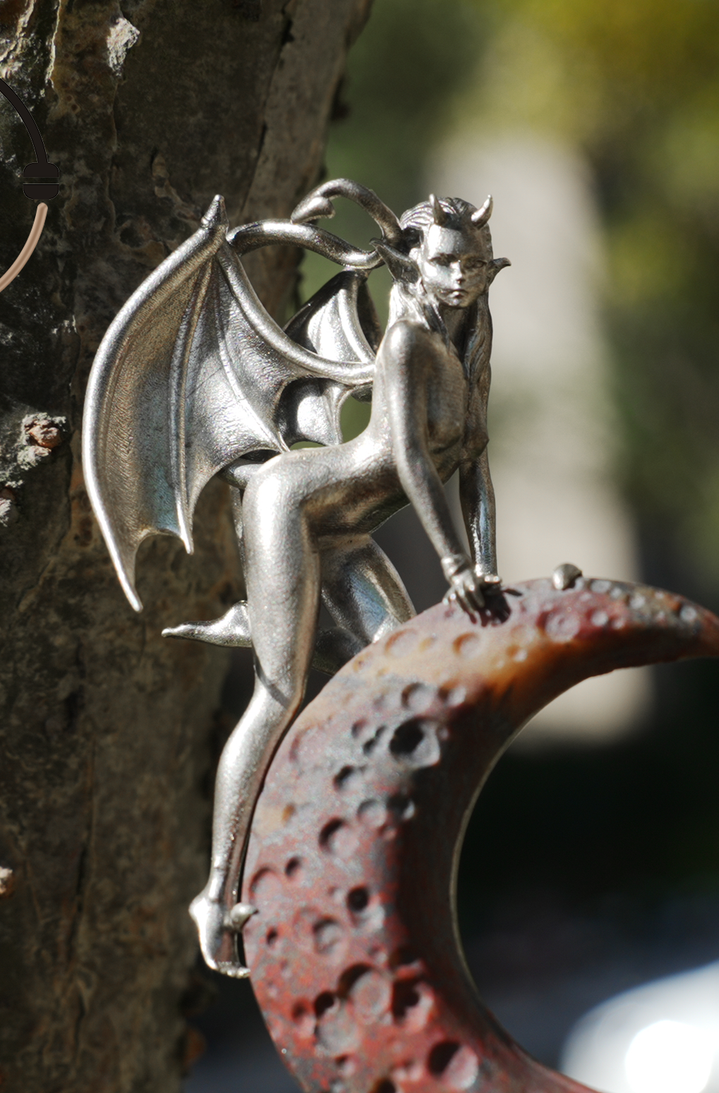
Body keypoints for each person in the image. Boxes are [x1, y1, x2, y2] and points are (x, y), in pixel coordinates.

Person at [185, 191, 511, 974]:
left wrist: (489, 562)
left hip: (349, 530)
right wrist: (455, 567)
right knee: (277, 691)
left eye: (474, 265)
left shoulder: (473, 335)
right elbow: (407, 459)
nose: (462, 278)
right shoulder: (404, 345)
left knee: (407, 684)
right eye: (444, 263)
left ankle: (370, 861)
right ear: (411, 264)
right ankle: (218, 887)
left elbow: (472, 465)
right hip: (292, 506)